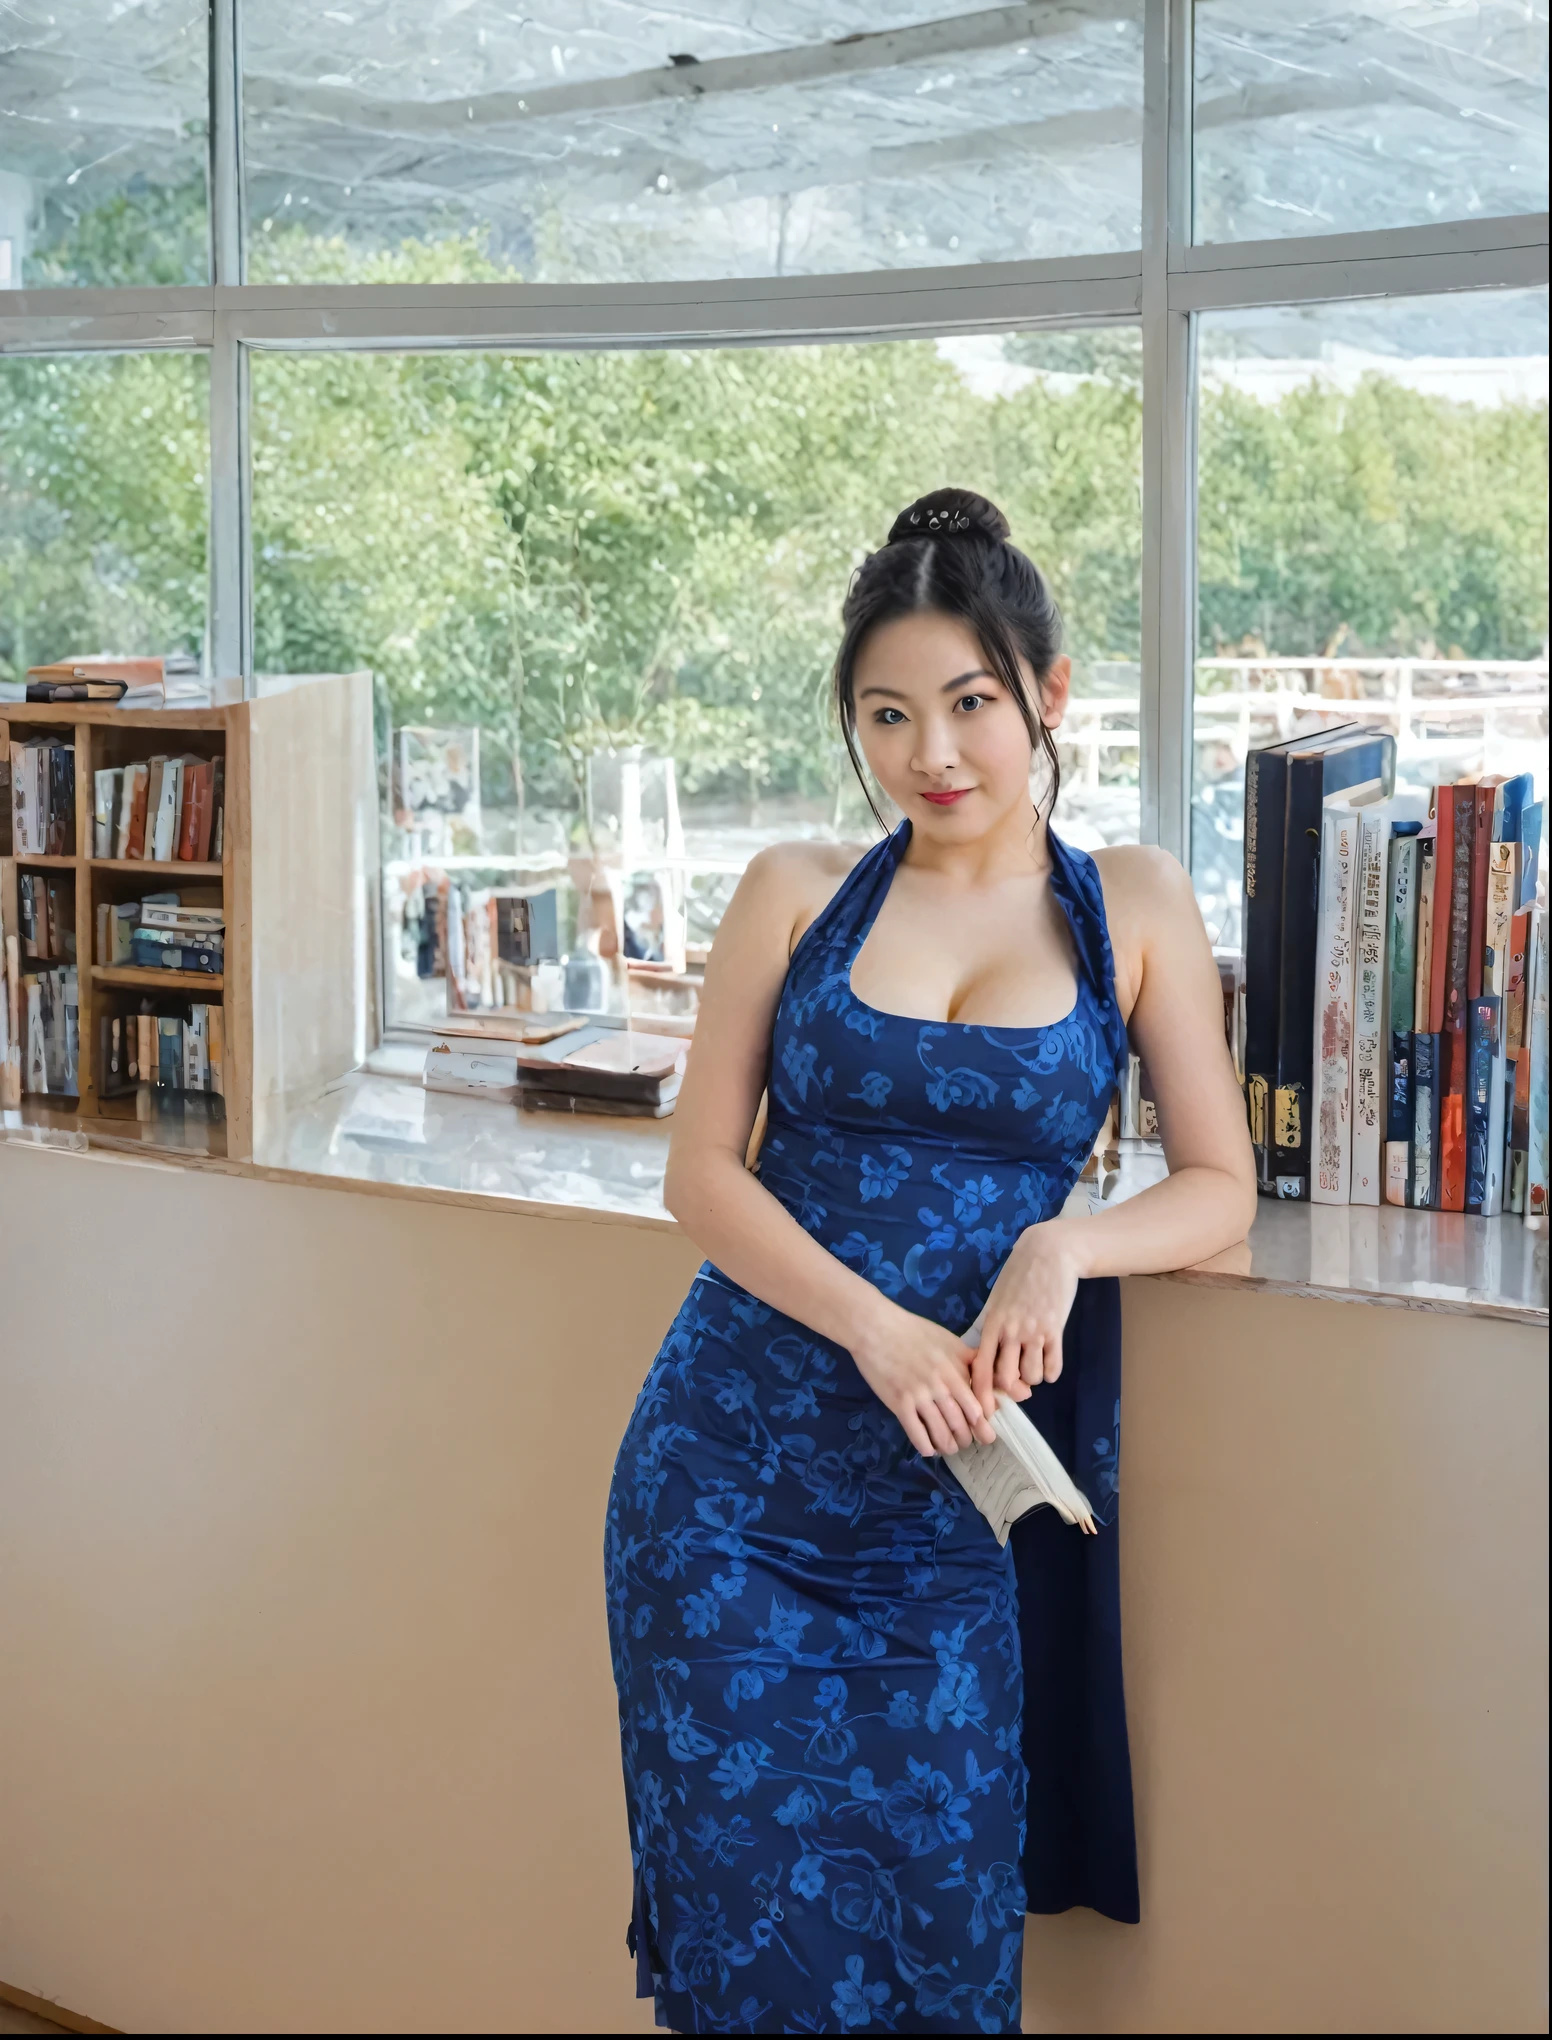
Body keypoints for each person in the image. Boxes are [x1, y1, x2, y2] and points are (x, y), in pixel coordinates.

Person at [604, 487, 1255, 2035]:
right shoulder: (797, 892)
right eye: (887, 716)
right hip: (725, 1493)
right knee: (745, 1949)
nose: (934, 754)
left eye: (970, 704)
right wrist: (878, 1328)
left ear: (1049, 695)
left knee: (942, 1943)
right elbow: (702, 1172)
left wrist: (1064, 1245)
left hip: (944, 1519)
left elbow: (1219, 1185)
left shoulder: (1134, 907)